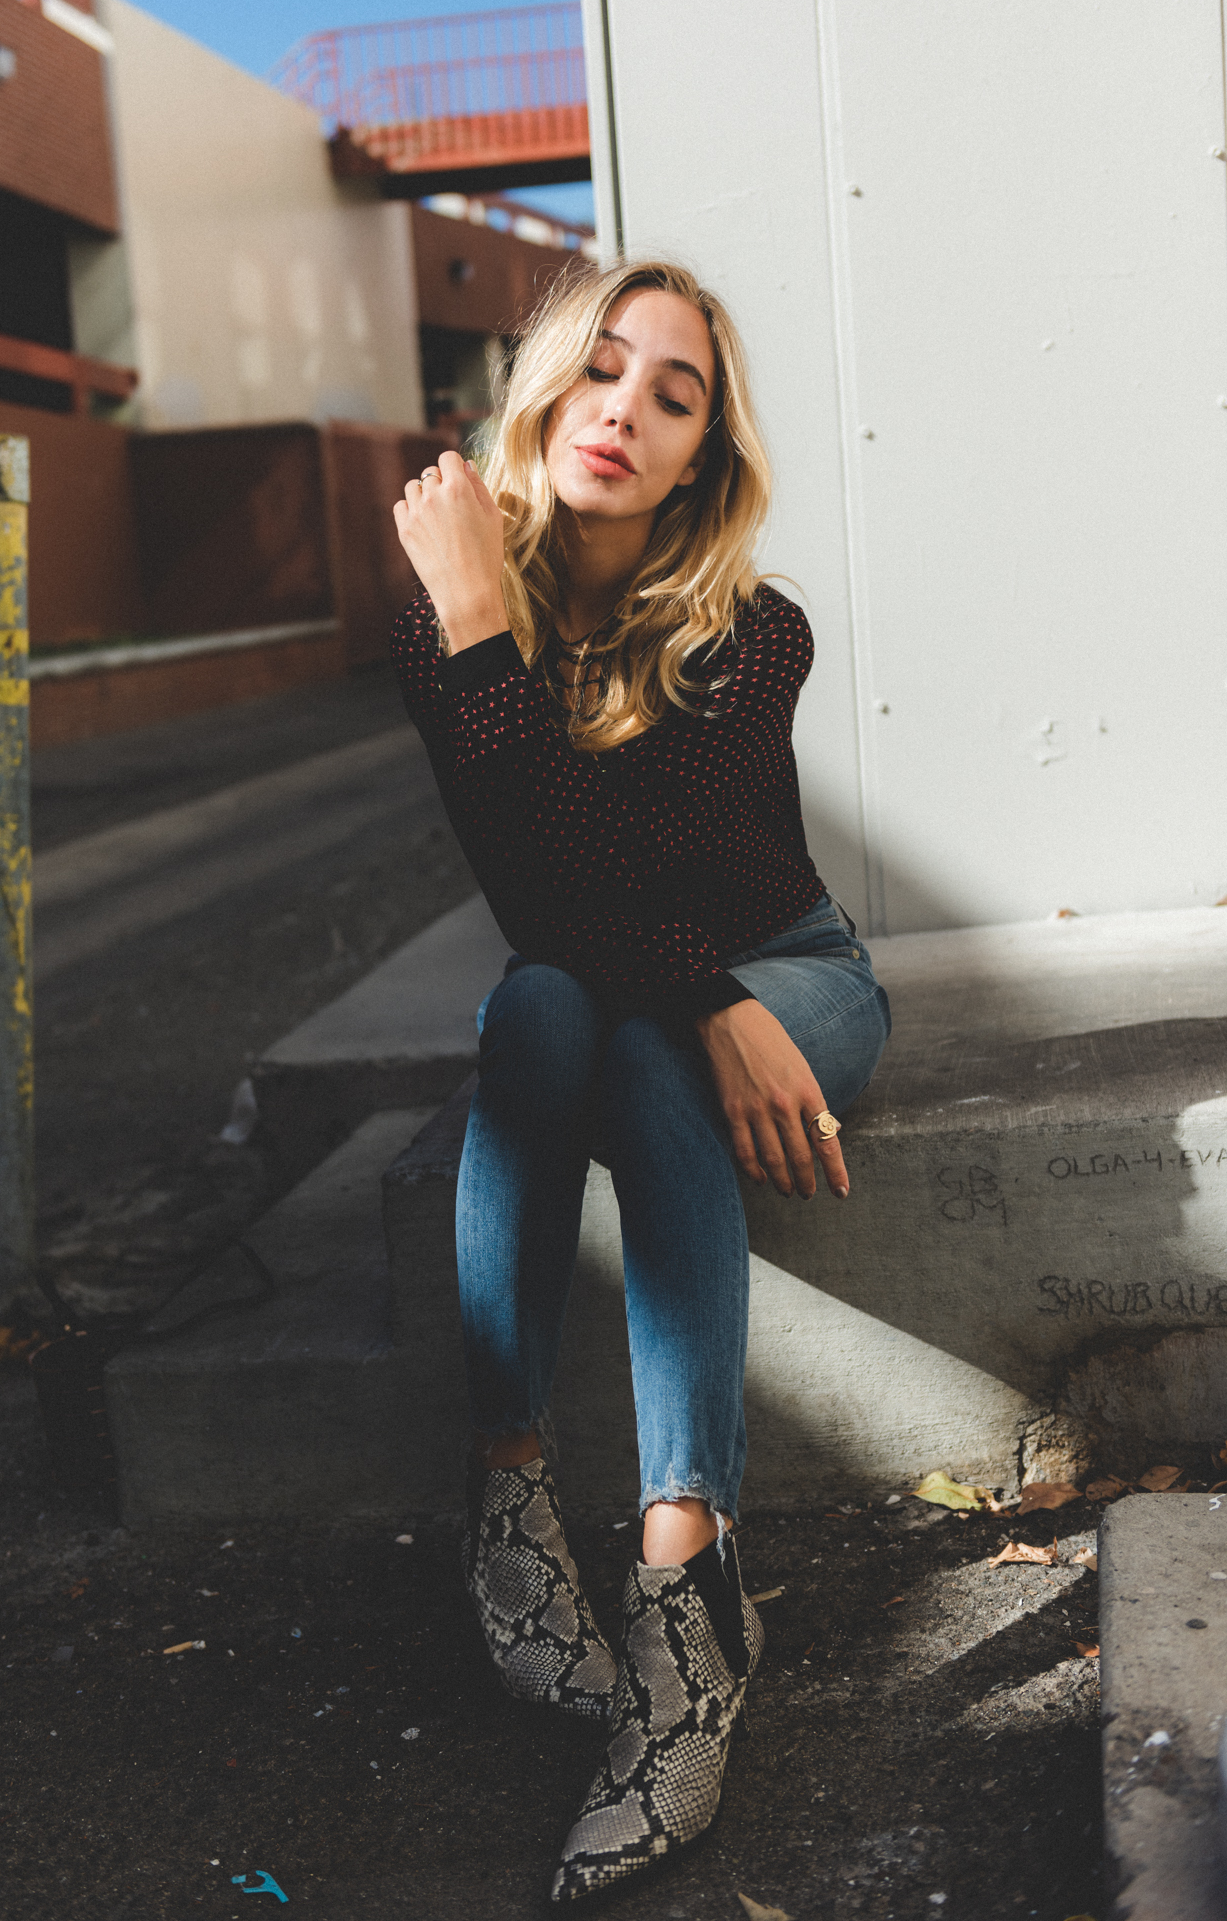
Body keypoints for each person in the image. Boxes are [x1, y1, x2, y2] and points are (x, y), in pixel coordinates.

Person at [391, 257, 890, 1902]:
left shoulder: (758, 632)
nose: (624, 409)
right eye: (601, 370)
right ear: (544, 386)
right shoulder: (452, 594)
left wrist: (730, 1002)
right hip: (647, 982)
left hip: (791, 973)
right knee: (540, 1001)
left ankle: (689, 1603)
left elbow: (655, 855)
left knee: (643, 1051)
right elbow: (546, 897)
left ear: (703, 460)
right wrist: (475, 625)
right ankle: (513, 1492)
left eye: (673, 395)